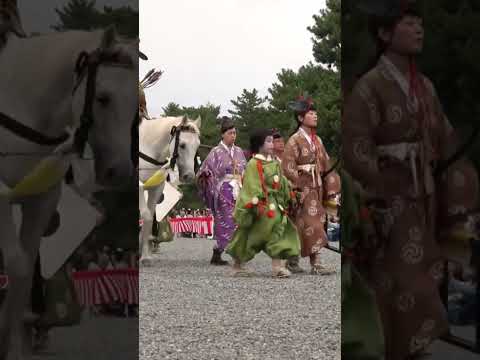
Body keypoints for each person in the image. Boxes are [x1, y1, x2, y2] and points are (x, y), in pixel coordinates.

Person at [342, 1, 479, 358]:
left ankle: (408, 350)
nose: (418, 29)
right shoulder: (369, 87)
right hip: (389, 201)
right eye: (408, 22)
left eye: (420, 22)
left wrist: (460, 185)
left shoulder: (425, 88)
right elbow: (356, 147)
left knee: (426, 272)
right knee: (403, 282)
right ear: (385, 33)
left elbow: (446, 140)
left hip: (425, 195)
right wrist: (375, 191)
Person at [226, 129, 300, 278]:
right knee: (248, 235)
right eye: (268, 141)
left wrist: (291, 193)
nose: (272, 144)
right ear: (259, 144)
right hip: (261, 206)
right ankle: (237, 265)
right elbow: (252, 184)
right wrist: (257, 201)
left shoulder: (274, 163)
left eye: (272, 141)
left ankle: (277, 267)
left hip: (275, 206)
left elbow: (282, 182)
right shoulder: (254, 163)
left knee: (279, 230)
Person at [281, 95, 341, 275]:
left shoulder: (318, 140)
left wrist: (331, 186)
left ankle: (303, 261)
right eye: (310, 113)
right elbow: (288, 166)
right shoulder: (294, 140)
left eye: (315, 113)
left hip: (317, 186)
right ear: (300, 118)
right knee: (306, 224)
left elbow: (326, 165)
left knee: (314, 223)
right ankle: (311, 263)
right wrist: (297, 186)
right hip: (302, 188)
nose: (315, 116)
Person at [196, 117, 247, 265]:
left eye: (235, 133)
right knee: (226, 221)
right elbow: (205, 171)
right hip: (223, 190)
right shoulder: (216, 152)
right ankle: (227, 251)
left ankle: (221, 251)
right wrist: (207, 177)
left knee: (240, 219)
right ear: (223, 135)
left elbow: (245, 169)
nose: (233, 136)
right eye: (230, 133)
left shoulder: (238, 151)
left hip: (239, 187)